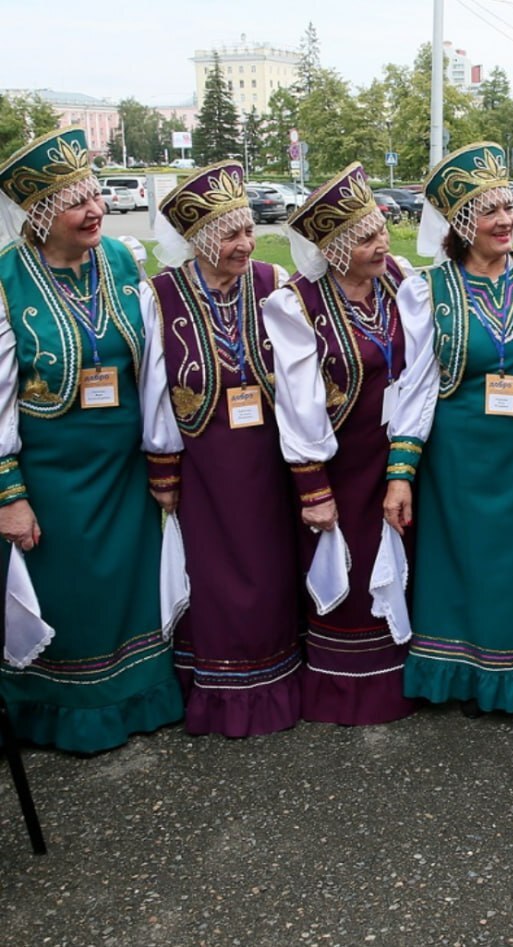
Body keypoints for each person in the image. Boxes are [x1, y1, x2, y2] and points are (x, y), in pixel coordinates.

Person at [0, 128, 184, 753]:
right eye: (75, 201)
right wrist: (9, 494)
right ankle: (65, 714)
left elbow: (154, 365)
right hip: (54, 478)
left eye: (95, 195)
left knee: (127, 593)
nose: (95, 209)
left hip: (124, 470)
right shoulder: (7, 282)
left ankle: (139, 700)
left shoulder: (124, 261)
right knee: (71, 598)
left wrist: (162, 455)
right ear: (41, 212)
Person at [384, 142, 513, 716]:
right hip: (463, 464)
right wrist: (401, 473)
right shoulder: (428, 290)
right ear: (461, 224)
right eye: (488, 211)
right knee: (470, 567)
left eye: (508, 206)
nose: (505, 220)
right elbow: (417, 387)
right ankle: (467, 675)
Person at [144, 161, 302, 737]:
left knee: (270, 568)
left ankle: (275, 684)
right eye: (228, 234)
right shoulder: (161, 295)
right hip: (205, 466)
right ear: (200, 239)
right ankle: (218, 692)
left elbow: (297, 374)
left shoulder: (271, 283)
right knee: (212, 575)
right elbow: (155, 388)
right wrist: (163, 465)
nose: (245, 243)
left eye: (246, 231)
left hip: (266, 459)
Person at [262, 162, 416, 726]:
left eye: (381, 230)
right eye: (367, 237)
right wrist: (313, 488)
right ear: (334, 248)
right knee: (349, 572)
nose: (383, 243)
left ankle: (405, 676)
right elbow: (298, 405)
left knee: (403, 557)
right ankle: (349, 691)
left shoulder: (398, 280)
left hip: (396, 456)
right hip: (341, 466)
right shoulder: (297, 304)